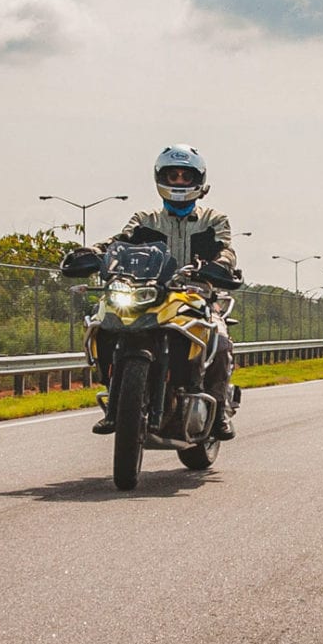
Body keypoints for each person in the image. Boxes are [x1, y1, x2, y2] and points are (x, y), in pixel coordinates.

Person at [93, 143, 239, 438]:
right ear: (161, 178)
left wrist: (221, 265)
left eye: (186, 177)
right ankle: (116, 404)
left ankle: (220, 410)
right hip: (148, 295)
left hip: (196, 296)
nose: (180, 182)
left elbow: (225, 250)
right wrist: (95, 251)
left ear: (198, 180)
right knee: (103, 326)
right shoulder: (144, 220)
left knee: (221, 343)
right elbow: (119, 241)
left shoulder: (214, 220)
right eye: (173, 176)